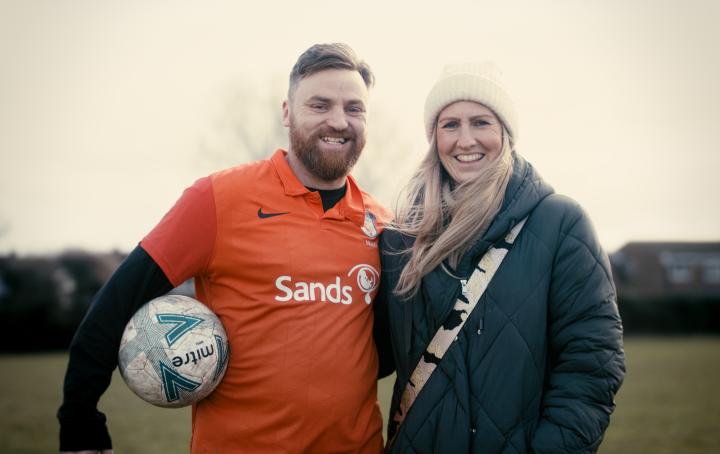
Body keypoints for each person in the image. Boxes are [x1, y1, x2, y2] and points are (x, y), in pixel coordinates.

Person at [58, 43, 392, 454]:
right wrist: (79, 416)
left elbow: (385, 349)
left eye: (354, 108)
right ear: (287, 113)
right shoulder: (216, 200)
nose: (338, 121)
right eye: (319, 105)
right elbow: (118, 301)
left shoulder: (383, 225)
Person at [374, 62, 625, 453]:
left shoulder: (559, 224)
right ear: (434, 137)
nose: (465, 139)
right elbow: (366, 354)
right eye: (450, 125)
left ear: (505, 134)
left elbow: (591, 365)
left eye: (481, 122)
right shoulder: (400, 239)